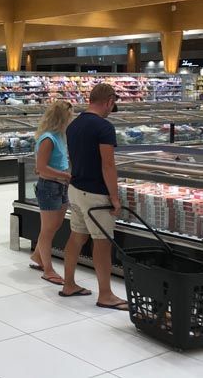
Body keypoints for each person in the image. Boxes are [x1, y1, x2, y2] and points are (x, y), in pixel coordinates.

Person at [61, 83, 128, 311]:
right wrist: (115, 197)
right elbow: (108, 165)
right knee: (102, 242)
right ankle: (106, 295)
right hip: (96, 194)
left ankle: (68, 284)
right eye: (113, 104)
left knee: (76, 236)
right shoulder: (104, 127)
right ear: (109, 101)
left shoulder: (73, 125)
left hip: (75, 189)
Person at [29, 101, 73, 286]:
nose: (71, 119)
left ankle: (38, 256)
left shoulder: (60, 136)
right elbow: (41, 168)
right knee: (47, 230)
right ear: (62, 118)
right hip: (49, 187)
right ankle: (48, 270)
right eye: (69, 116)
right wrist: (66, 175)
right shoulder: (48, 139)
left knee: (54, 226)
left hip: (60, 186)